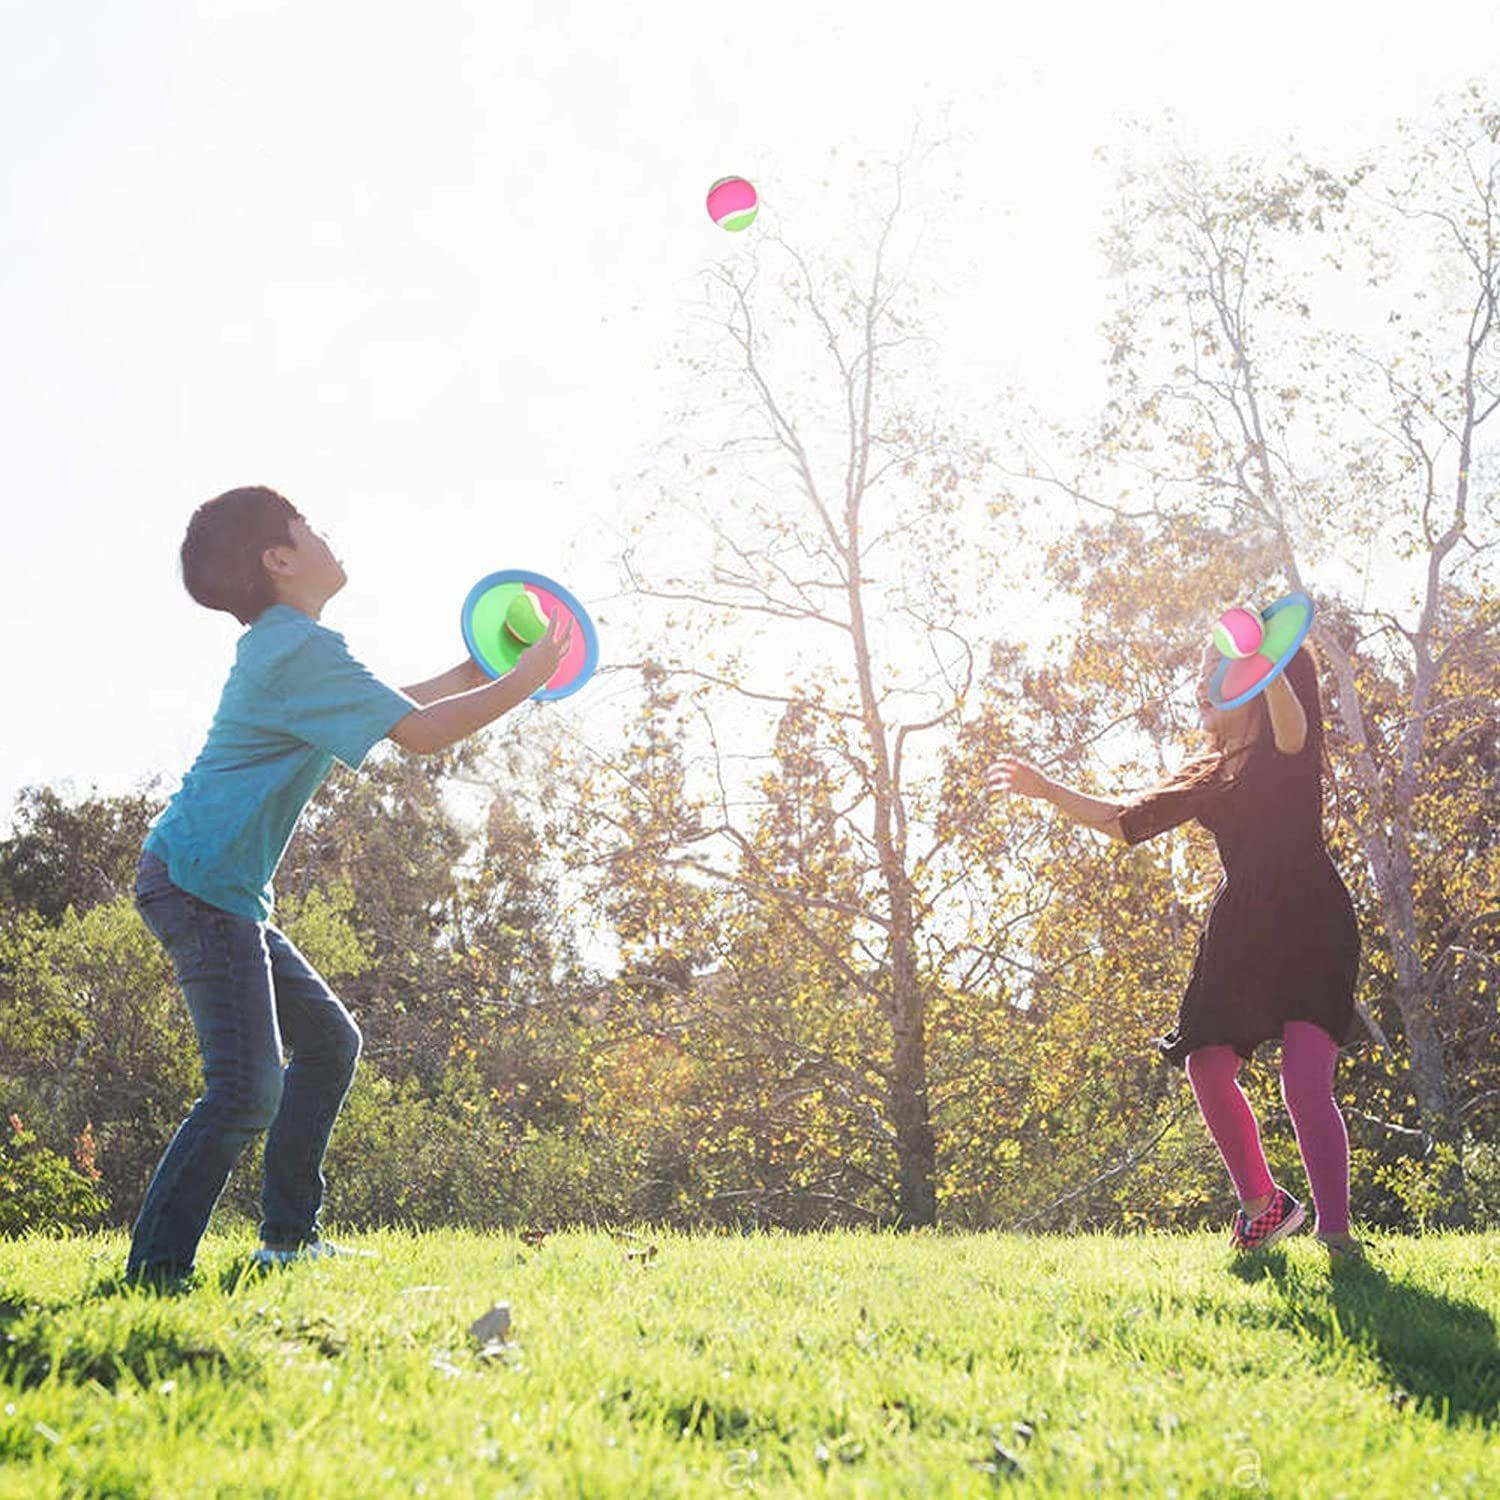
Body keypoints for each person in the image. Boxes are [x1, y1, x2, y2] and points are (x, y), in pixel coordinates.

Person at [127, 485, 571, 1284]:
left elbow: (396, 706)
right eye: (311, 526)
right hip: (198, 882)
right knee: (245, 1090)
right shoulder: (296, 650)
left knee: (329, 1043)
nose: (326, 535)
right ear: (280, 558)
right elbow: (422, 735)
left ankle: (287, 1238)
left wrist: (479, 667)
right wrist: (526, 679)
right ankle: (156, 1270)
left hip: (220, 887)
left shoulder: (292, 647)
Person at [986, 641, 1365, 1261]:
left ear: (1250, 683)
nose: (1201, 687)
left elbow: (1292, 722)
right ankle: (1264, 1206)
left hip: (1312, 925)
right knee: (1208, 1066)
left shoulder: (1288, 749)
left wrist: (1264, 663)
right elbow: (1123, 821)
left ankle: (1337, 1235)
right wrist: (1047, 789)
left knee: (1303, 1082)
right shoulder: (1210, 774)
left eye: (1216, 675)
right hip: (1242, 932)